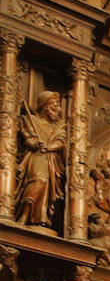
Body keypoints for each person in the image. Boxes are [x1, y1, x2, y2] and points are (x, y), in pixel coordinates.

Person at [14, 91, 66, 230]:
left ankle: (40, 218)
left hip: (51, 161)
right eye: (55, 106)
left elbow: (61, 142)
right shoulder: (30, 121)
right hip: (36, 157)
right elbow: (28, 139)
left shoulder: (58, 127)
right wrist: (35, 143)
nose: (58, 110)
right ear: (46, 106)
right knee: (38, 181)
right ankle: (23, 216)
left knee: (46, 187)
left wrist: (48, 147)